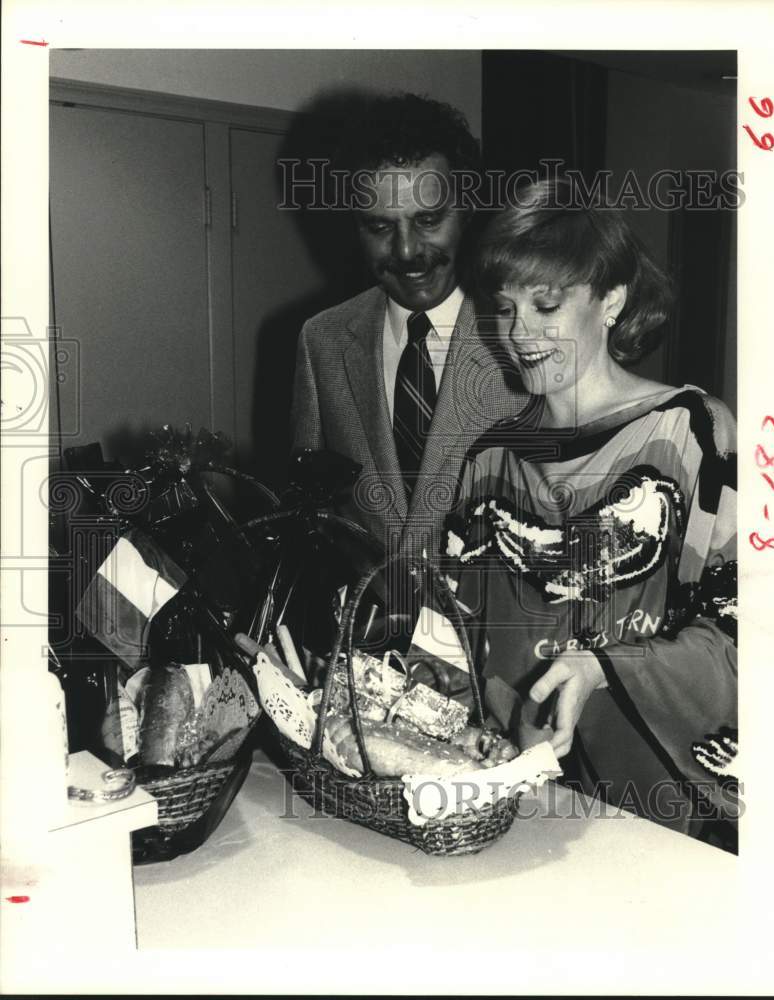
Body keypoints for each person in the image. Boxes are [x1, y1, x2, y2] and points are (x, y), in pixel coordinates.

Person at [444, 179, 738, 841]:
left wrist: (603, 668)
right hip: (518, 807)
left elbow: (748, 635)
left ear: (613, 300)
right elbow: (456, 642)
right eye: (504, 307)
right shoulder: (490, 459)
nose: (518, 333)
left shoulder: (691, 434)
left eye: (545, 304)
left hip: (658, 813)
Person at [290, 93, 527, 561]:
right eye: (380, 227)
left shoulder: (526, 335)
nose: (405, 251)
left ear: (467, 209)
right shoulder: (322, 340)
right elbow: (310, 515)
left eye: (428, 221)